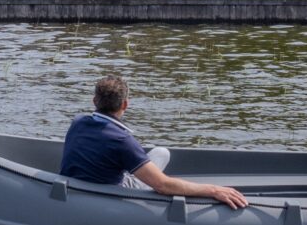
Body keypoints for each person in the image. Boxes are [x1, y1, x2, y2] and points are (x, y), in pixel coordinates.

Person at [60, 75, 248, 209]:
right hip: (109, 193)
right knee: (161, 155)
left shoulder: (78, 122)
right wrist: (213, 190)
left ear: (95, 101)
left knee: (160, 153)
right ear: (125, 104)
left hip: (78, 186)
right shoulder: (122, 140)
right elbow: (163, 185)